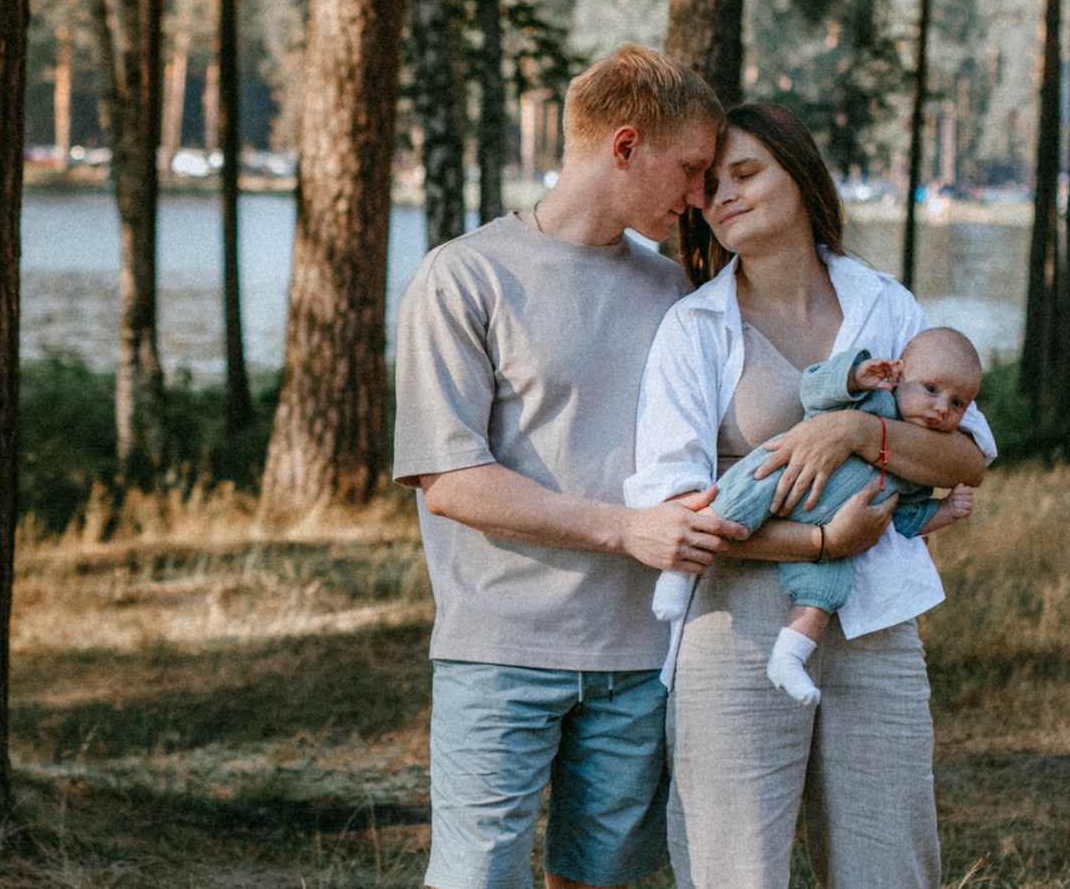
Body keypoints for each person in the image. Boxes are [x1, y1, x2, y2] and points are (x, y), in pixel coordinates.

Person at [393, 46, 895, 889]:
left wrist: (900, 475)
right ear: (624, 147)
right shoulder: (465, 275)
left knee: (600, 881)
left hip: (642, 657)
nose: (703, 199)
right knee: (478, 877)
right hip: (501, 647)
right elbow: (448, 479)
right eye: (693, 169)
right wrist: (629, 528)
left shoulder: (680, 294)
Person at [626, 101, 997, 889]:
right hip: (733, 620)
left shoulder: (885, 307)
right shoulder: (694, 328)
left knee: (888, 858)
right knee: (736, 870)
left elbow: (967, 456)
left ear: (800, 174)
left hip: (876, 619)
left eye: (747, 172)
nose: (722, 194)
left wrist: (860, 436)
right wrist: (826, 544)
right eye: (711, 182)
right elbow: (675, 513)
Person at [647, 327, 982, 706]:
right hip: (779, 479)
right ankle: (679, 571)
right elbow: (813, 389)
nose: (942, 408)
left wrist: (946, 511)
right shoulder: (871, 400)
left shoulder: (914, 468)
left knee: (824, 595)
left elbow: (906, 521)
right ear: (898, 374)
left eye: (959, 404)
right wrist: (853, 377)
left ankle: (788, 658)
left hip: (830, 539)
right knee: (733, 506)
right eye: (932, 390)